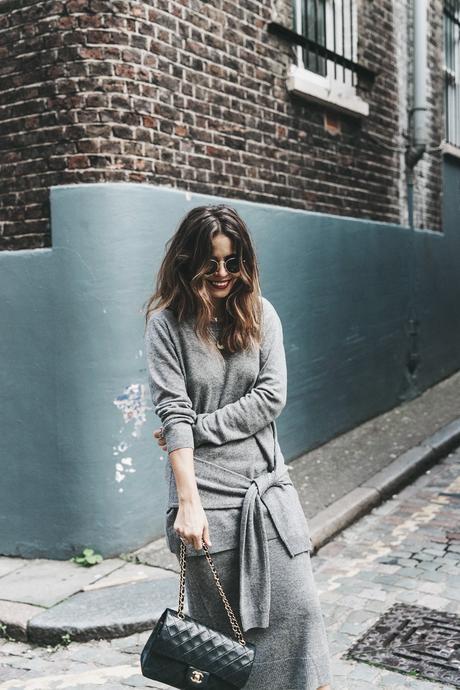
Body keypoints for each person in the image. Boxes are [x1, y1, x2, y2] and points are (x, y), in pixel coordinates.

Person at [143, 204, 332, 690]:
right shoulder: (166, 325)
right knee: (227, 643)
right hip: (206, 503)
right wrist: (188, 505)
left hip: (268, 493)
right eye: (212, 263)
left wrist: (196, 428)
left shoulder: (261, 314)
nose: (224, 273)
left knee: (303, 615)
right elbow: (172, 412)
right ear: (189, 262)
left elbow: (271, 397)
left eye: (233, 261)